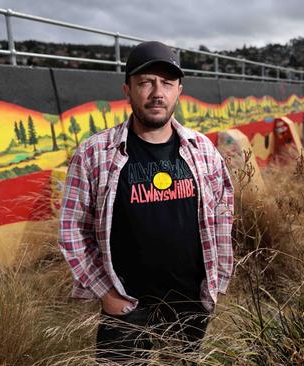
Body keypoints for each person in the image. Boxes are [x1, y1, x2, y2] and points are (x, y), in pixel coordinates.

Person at [58, 40, 234, 363]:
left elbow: (223, 211)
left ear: (179, 90)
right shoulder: (94, 154)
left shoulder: (203, 150)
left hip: (189, 305)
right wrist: (106, 293)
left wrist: (217, 281)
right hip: (126, 308)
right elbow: (72, 230)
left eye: (167, 83)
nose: (157, 92)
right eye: (146, 82)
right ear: (127, 89)